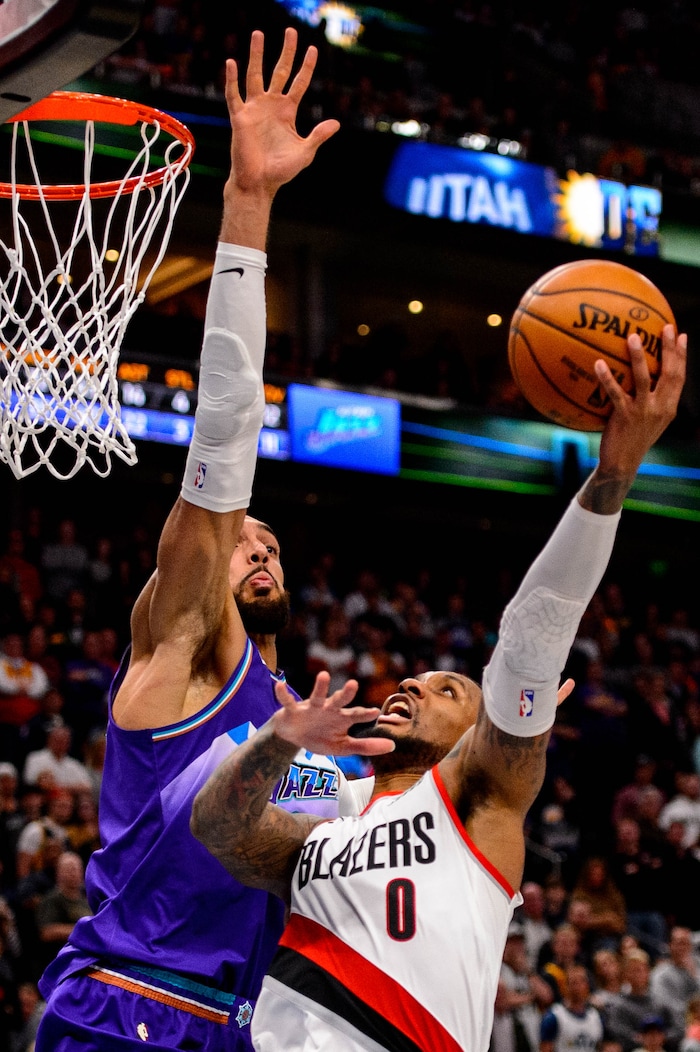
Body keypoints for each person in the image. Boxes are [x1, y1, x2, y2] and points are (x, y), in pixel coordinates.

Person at [191, 323, 687, 1051]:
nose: (413, 688)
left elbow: (530, 637)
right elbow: (217, 828)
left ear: (479, 736)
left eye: (447, 689)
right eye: (415, 681)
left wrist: (612, 475)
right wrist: (275, 739)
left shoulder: (479, 802)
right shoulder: (330, 818)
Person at [34, 27, 341, 1052]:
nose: (260, 548)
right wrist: (248, 204)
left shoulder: (291, 717)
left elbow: (308, 845)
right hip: (129, 1003)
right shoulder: (185, 648)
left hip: (235, 1024)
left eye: (272, 544)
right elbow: (224, 434)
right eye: (241, 538)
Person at [539, 963, 605, 1052]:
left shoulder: (596, 1017)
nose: (578, 987)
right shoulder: (554, 1016)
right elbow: (545, 1048)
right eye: (574, 983)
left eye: (582, 981)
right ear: (566, 986)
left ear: (587, 986)